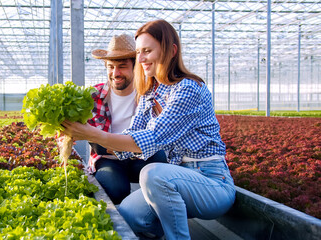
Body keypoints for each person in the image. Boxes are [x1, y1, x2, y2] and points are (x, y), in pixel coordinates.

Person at [62, 19, 236, 239]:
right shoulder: (151, 93)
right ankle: (161, 228)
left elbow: (152, 138)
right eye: (138, 52)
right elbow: (130, 137)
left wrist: (94, 134)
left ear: (171, 51)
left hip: (210, 182)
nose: (140, 58)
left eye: (146, 51)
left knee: (151, 173)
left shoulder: (188, 89)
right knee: (124, 217)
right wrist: (81, 134)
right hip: (174, 179)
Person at [87, 33, 167, 205]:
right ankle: (126, 216)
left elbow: (157, 139)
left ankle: (149, 213)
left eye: (122, 66)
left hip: (139, 158)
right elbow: (97, 146)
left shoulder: (150, 95)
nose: (115, 73)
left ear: (136, 67)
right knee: (114, 188)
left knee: (161, 161)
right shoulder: (93, 96)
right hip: (108, 160)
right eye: (110, 67)